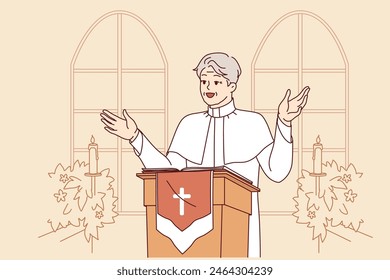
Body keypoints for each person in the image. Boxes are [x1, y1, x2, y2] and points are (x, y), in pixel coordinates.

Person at [100, 52, 309, 257]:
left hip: (238, 228)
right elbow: (167, 170)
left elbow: (277, 172)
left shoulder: (253, 123)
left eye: (217, 82)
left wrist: (284, 122)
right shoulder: (189, 124)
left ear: (232, 86)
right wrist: (135, 136)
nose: (209, 88)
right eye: (204, 81)